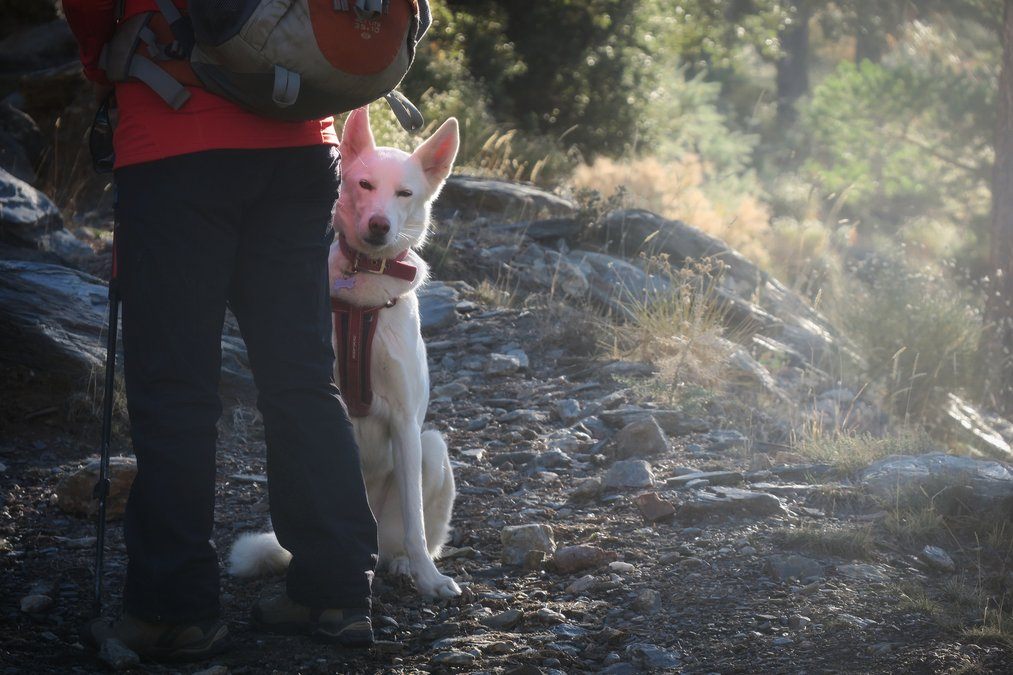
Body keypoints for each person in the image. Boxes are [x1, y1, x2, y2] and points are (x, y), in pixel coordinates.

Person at [62, 0, 378, 661]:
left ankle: (171, 610)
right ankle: (335, 590)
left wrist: (103, 62)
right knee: (300, 376)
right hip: (297, 142)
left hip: (174, 137)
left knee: (176, 384)